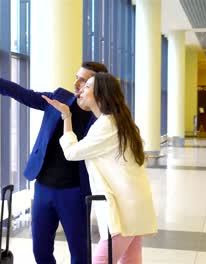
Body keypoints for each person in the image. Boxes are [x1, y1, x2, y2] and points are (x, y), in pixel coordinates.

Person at [0, 54, 108, 264]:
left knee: (80, 254)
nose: (76, 83)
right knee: (40, 251)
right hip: (43, 187)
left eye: (84, 81)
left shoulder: (101, 120)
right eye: (77, 77)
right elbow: (23, 94)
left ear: (97, 86)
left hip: (75, 191)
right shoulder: (59, 98)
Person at [42, 72, 158, 264]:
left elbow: (71, 153)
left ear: (100, 95)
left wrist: (67, 117)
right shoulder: (116, 122)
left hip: (125, 210)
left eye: (87, 86)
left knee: (101, 261)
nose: (81, 90)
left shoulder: (106, 125)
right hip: (133, 206)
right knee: (131, 260)